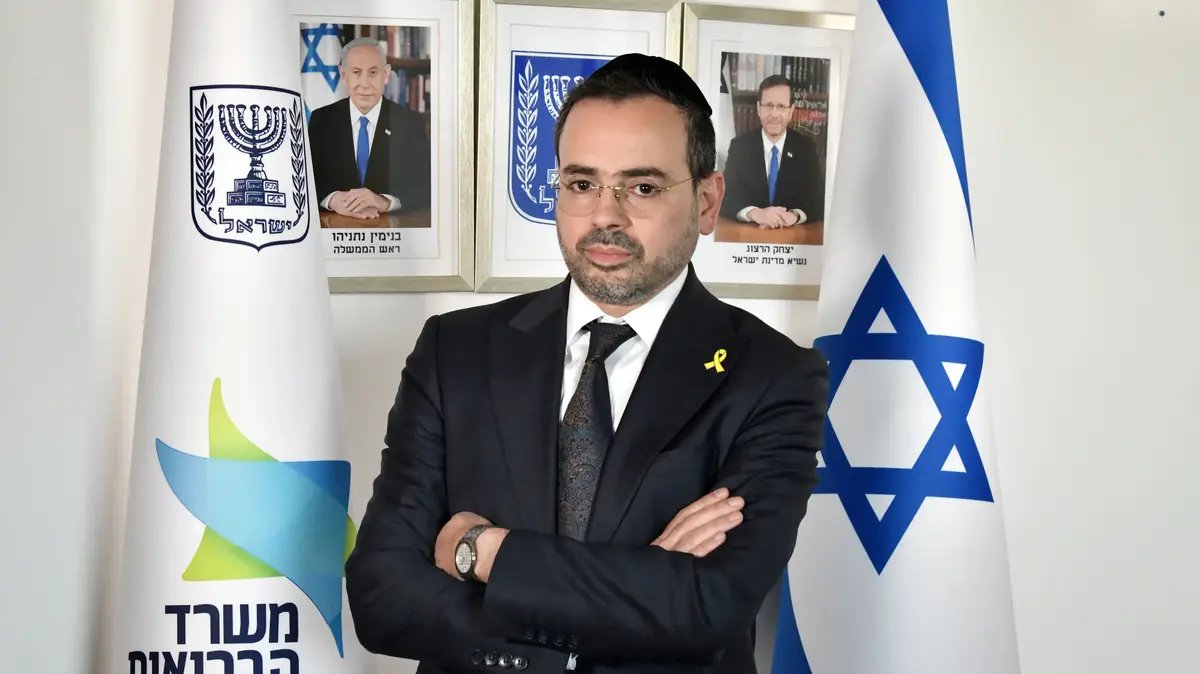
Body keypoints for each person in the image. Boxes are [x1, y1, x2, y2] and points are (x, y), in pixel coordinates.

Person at [345, 54, 828, 674]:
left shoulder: (774, 376)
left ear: (708, 201)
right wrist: (628, 596)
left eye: (643, 187)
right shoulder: (454, 350)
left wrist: (485, 552)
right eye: (581, 184)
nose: (605, 215)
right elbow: (381, 596)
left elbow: (708, 607)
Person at [307, 37, 431, 220]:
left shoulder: (410, 123)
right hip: (335, 227)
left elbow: (425, 188)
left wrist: (384, 202)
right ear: (343, 75)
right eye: (356, 72)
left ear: (386, 74)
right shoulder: (321, 119)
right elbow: (305, 181)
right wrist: (332, 200)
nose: (365, 83)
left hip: (390, 229)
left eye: (373, 72)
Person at [719, 75, 825, 228]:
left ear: (791, 111)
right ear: (758, 109)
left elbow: (819, 201)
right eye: (768, 106)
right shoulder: (740, 146)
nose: (774, 114)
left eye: (781, 106)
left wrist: (794, 215)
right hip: (749, 236)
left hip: (791, 237)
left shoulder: (806, 149)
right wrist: (755, 213)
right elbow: (726, 199)